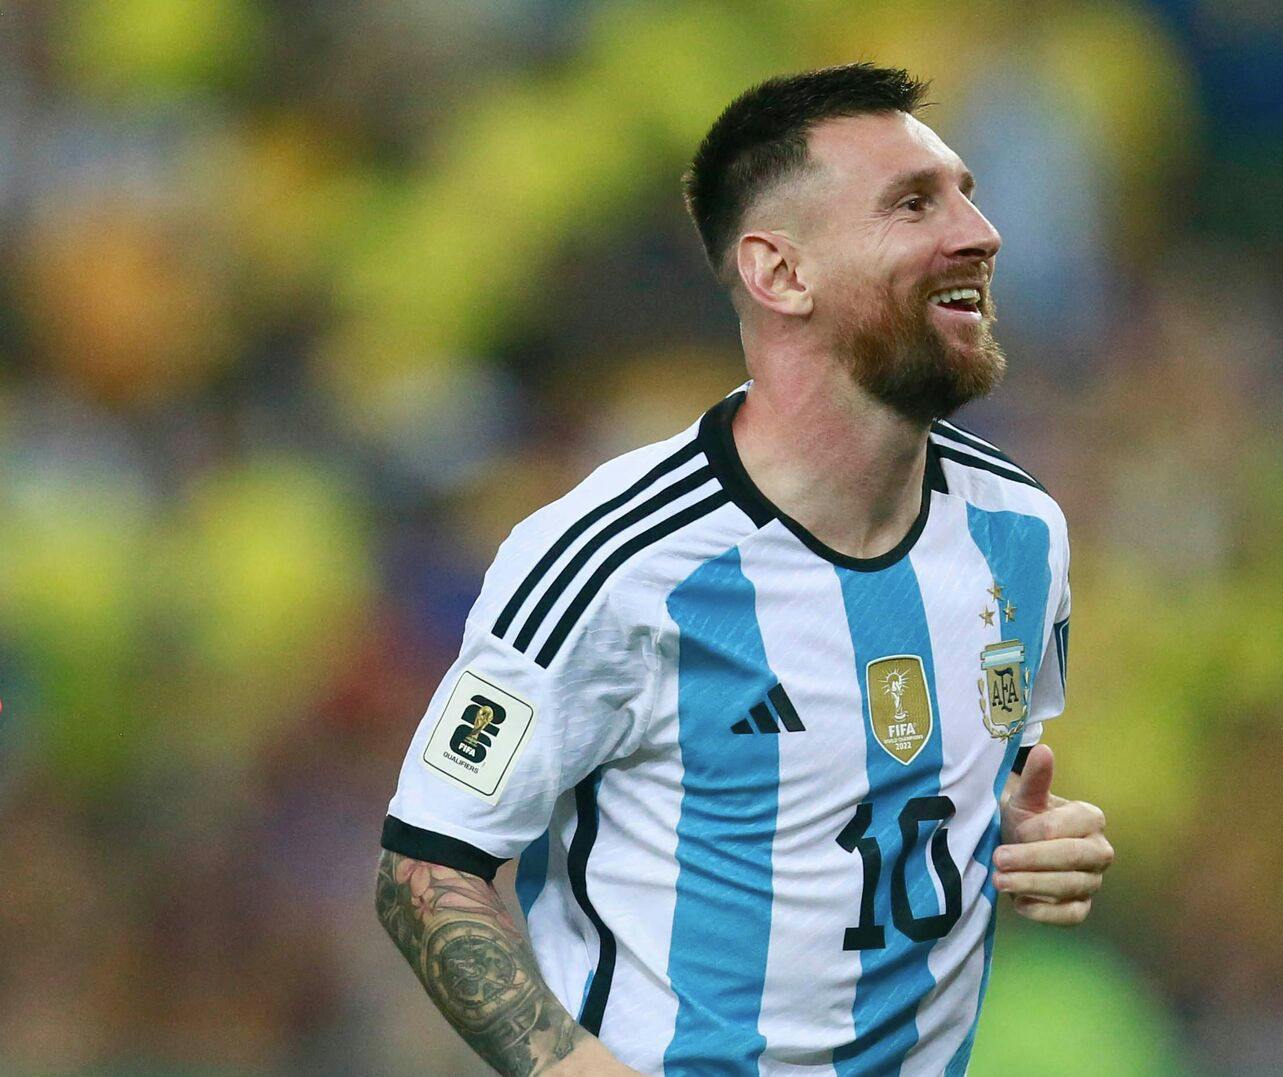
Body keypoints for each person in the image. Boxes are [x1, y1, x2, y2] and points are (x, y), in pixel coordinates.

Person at [373, 63, 1113, 1076]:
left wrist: (1038, 841)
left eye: (966, 195)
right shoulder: (613, 559)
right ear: (781, 274)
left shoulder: (1022, 532)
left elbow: (967, 788)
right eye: (913, 204)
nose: (980, 233)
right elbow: (427, 866)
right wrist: (568, 1069)